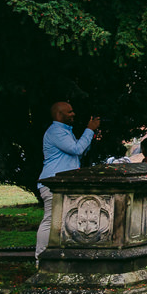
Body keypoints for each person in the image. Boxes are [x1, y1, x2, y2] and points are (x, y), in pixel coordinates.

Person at [37, 101, 99, 259]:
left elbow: (78, 152)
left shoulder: (65, 131)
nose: (73, 114)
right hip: (52, 183)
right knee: (50, 221)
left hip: (62, 183)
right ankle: (41, 257)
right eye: (69, 112)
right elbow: (76, 149)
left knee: (65, 221)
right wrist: (89, 130)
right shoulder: (56, 131)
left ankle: (59, 256)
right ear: (59, 114)